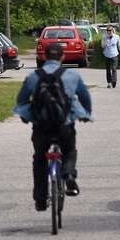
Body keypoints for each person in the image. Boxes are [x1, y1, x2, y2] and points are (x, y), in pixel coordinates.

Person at [13, 43, 92, 212]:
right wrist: (86, 114)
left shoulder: (34, 76)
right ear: (63, 57)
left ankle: (41, 198)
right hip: (65, 126)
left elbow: (21, 101)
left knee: (40, 159)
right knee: (70, 151)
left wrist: (26, 116)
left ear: (44, 56)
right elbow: (85, 98)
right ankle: (69, 175)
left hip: (41, 127)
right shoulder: (72, 75)